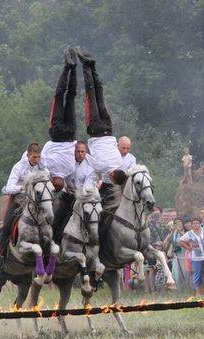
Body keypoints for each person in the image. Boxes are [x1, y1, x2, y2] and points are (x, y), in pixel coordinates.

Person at [78, 51, 124, 212]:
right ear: (112, 176)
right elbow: (86, 157)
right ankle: (85, 65)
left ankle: (93, 66)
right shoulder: (103, 168)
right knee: (90, 95)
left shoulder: (120, 162)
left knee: (99, 94)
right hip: (96, 131)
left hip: (108, 129)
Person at [0, 142, 42, 268]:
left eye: (38, 157)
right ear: (28, 155)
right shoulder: (18, 167)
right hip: (18, 198)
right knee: (6, 226)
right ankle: (0, 255)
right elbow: (9, 187)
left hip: (36, 199)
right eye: (33, 157)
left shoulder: (41, 165)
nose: (36, 160)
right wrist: (23, 188)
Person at [41, 47, 80, 192]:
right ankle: (67, 67)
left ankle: (74, 68)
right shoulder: (47, 168)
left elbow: (78, 157)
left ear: (62, 182)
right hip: (56, 135)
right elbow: (41, 153)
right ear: (52, 180)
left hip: (70, 134)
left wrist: (69, 186)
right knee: (58, 96)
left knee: (70, 97)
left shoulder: (70, 169)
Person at [52, 140, 96, 244]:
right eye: (78, 151)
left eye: (83, 152)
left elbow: (86, 188)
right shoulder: (67, 162)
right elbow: (59, 178)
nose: (80, 154)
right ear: (74, 152)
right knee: (55, 220)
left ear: (86, 152)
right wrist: (64, 188)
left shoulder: (90, 168)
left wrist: (77, 191)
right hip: (66, 197)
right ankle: (52, 245)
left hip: (81, 201)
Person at [178, 217, 204, 295]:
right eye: (193, 223)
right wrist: (189, 248)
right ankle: (198, 292)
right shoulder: (189, 233)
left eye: (197, 223)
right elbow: (180, 242)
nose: (195, 225)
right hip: (195, 258)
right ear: (191, 224)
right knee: (197, 274)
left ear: (200, 223)